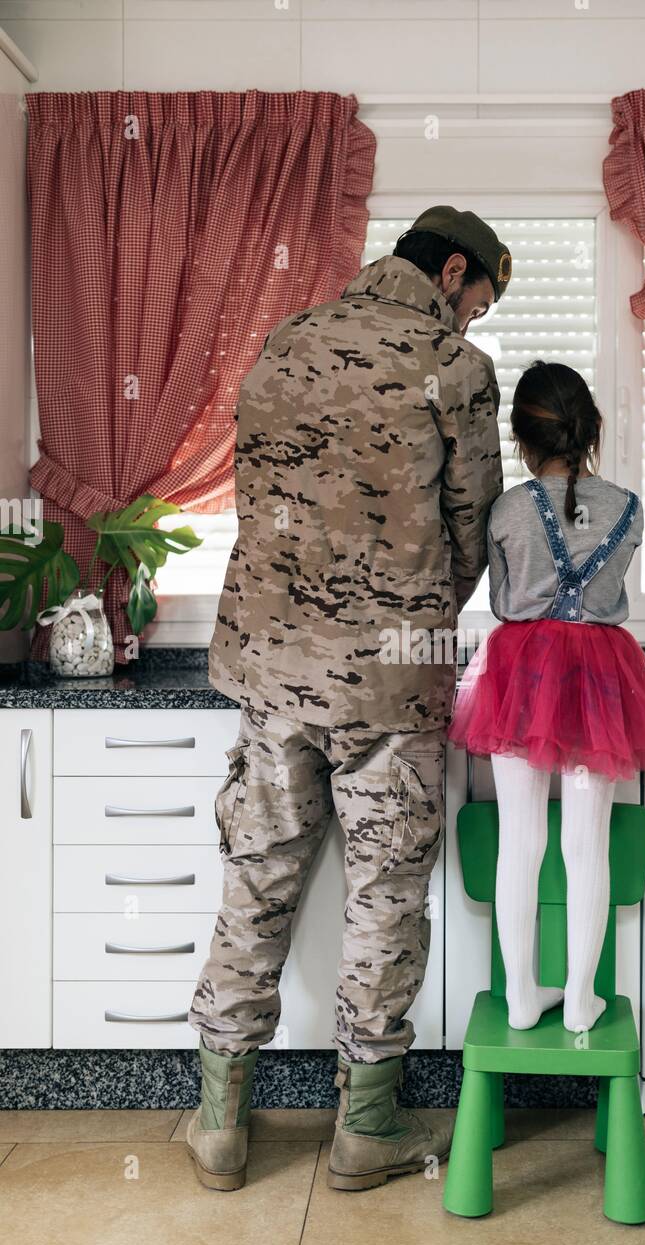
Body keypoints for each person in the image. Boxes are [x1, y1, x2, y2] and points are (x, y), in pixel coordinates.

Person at [186, 207, 510, 1192]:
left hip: (270, 663)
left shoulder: (285, 342)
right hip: (391, 678)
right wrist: (413, 608)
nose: (470, 324)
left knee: (256, 878)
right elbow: (476, 532)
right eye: (476, 302)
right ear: (451, 269)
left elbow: (253, 499)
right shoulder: (453, 372)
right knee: (384, 895)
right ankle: (363, 1129)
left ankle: (218, 1123)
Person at [448, 360, 645, 1034]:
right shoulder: (629, 509)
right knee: (588, 845)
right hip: (602, 677)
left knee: (519, 841)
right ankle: (580, 1000)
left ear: (521, 436)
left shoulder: (508, 509)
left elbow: (500, 601)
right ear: (591, 430)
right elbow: (605, 594)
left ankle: (522, 997)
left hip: (520, 672)